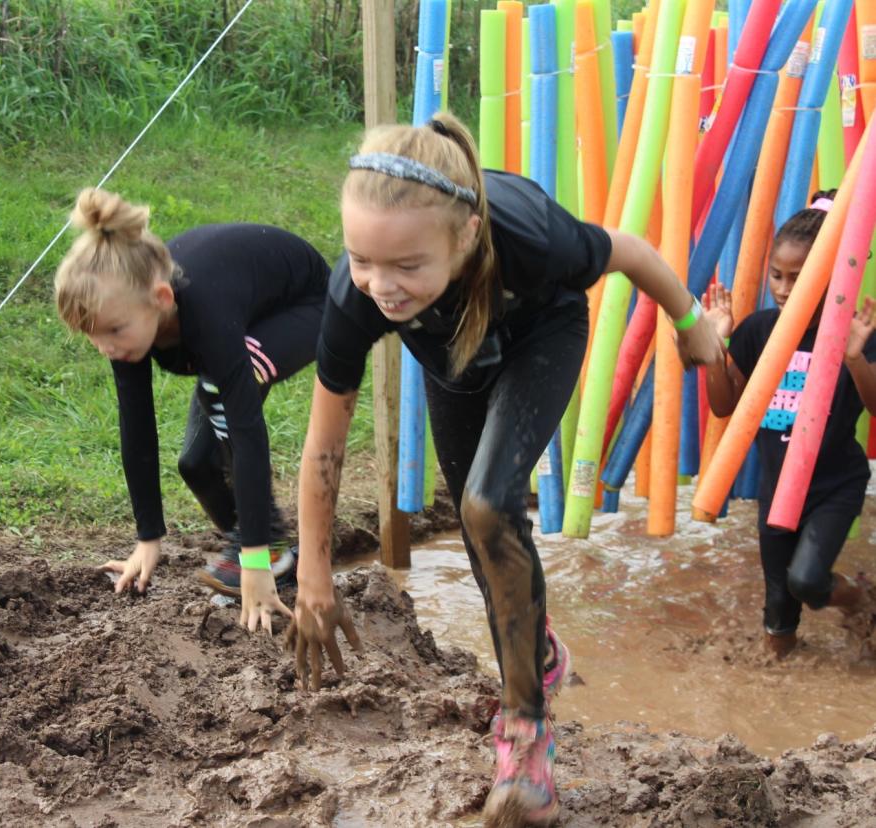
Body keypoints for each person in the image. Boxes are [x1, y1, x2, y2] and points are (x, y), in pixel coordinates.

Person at [285, 113, 723, 826]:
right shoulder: (354, 294)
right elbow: (325, 444)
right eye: (361, 259)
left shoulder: (531, 239)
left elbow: (633, 251)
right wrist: (313, 573)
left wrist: (689, 321)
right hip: (455, 363)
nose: (380, 286)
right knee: (478, 536)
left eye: (404, 266)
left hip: (541, 335)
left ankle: (525, 739)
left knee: (490, 505)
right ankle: (539, 649)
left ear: (461, 238)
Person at [54, 188, 330, 631]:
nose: (106, 346)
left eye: (114, 331)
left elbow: (246, 429)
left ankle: (263, 552)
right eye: (94, 335)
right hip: (243, 310)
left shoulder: (204, 312)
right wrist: (148, 538)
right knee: (197, 465)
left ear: (162, 299)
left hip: (308, 305)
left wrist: (254, 559)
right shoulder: (126, 322)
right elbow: (137, 425)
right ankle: (265, 548)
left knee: (223, 398)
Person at [703, 191, 876, 660]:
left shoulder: (852, 333)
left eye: (797, 278)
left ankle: (861, 600)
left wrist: (856, 357)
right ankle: (776, 697)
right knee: (777, 616)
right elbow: (724, 406)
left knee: (806, 582)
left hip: (834, 484)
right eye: (776, 275)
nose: (781, 287)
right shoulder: (759, 330)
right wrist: (716, 347)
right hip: (776, 487)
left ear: (829, 273)